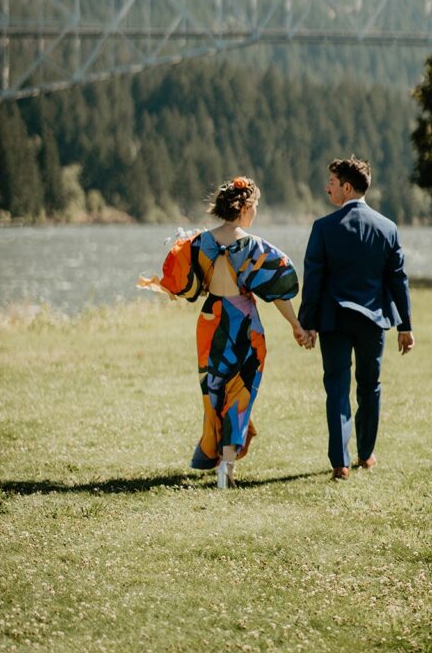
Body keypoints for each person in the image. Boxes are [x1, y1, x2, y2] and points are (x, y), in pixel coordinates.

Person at [139, 176, 310, 489]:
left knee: (214, 393)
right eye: (254, 207)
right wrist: (295, 325)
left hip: (210, 323)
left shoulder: (198, 242)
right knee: (240, 393)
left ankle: (217, 457)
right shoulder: (254, 246)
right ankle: (225, 469)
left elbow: (181, 286)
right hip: (244, 326)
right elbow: (279, 289)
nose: (255, 213)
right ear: (245, 208)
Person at [298, 157, 415, 479]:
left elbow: (314, 280)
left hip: (333, 320)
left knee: (336, 387)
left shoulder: (323, 228)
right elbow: (397, 280)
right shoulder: (387, 227)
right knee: (370, 387)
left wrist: (307, 323)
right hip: (373, 322)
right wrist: (405, 325)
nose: (327, 188)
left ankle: (340, 462)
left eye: (332, 183)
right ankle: (366, 454)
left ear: (347, 187)